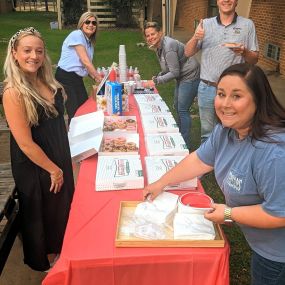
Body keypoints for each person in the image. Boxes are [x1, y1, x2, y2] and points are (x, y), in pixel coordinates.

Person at [143, 63, 285, 285]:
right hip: (261, 241)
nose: (225, 104)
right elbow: (200, 160)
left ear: (258, 100)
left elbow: (279, 214)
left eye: (236, 96)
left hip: (278, 252)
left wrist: (228, 214)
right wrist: (161, 182)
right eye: (221, 94)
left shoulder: (274, 153)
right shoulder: (227, 130)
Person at [2, 27, 75, 272]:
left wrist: (65, 159)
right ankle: (47, 261)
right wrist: (53, 169)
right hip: (36, 164)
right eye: (27, 50)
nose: (34, 56)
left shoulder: (47, 82)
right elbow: (24, 143)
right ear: (14, 53)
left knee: (62, 205)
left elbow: (57, 124)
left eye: (39, 51)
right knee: (44, 210)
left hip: (58, 155)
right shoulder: (13, 92)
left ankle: (63, 250)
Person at [184, 0, 259, 143]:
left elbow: (254, 59)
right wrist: (195, 37)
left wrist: (244, 52)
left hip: (235, 92)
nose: (226, 0)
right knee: (207, 133)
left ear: (236, 1)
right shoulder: (205, 24)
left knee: (234, 132)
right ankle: (209, 165)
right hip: (207, 88)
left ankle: (229, 163)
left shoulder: (247, 25)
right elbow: (188, 52)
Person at [144, 21, 200, 149]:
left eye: (153, 34)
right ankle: (180, 135)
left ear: (160, 33)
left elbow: (174, 72)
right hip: (182, 76)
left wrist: (156, 81)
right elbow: (168, 67)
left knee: (182, 109)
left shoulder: (168, 46)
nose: (150, 37)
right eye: (147, 35)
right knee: (177, 106)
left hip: (190, 75)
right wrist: (158, 76)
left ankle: (184, 144)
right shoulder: (158, 46)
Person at [55, 11, 101, 124]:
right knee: (74, 112)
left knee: (83, 108)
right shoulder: (77, 34)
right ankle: (71, 140)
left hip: (76, 78)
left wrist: (97, 78)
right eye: (88, 22)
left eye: (94, 23)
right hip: (65, 76)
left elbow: (85, 67)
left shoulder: (89, 43)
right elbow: (85, 61)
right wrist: (98, 78)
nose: (91, 25)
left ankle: (81, 137)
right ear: (82, 24)